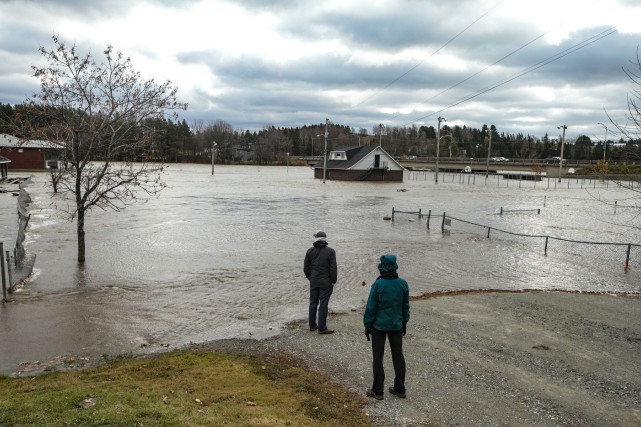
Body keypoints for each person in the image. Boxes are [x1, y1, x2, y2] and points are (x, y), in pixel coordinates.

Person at [363, 254, 410, 400]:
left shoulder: (378, 284)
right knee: (398, 356)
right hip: (396, 325)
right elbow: (405, 307)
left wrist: (367, 325)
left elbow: (371, 307)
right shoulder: (403, 284)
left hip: (379, 327)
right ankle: (400, 388)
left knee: (378, 357)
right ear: (395, 266)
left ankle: (378, 391)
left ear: (382, 267)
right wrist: (404, 323)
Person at [304, 231, 337, 334]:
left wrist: (310, 277)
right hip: (326, 282)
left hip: (314, 280)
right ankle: (322, 328)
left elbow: (306, 268)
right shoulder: (331, 251)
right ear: (325, 239)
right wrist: (333, 281)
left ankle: (312, 325)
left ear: (316, 239)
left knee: (313, 303)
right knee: (323, 304)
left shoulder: (310, 251)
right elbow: (333, 268)